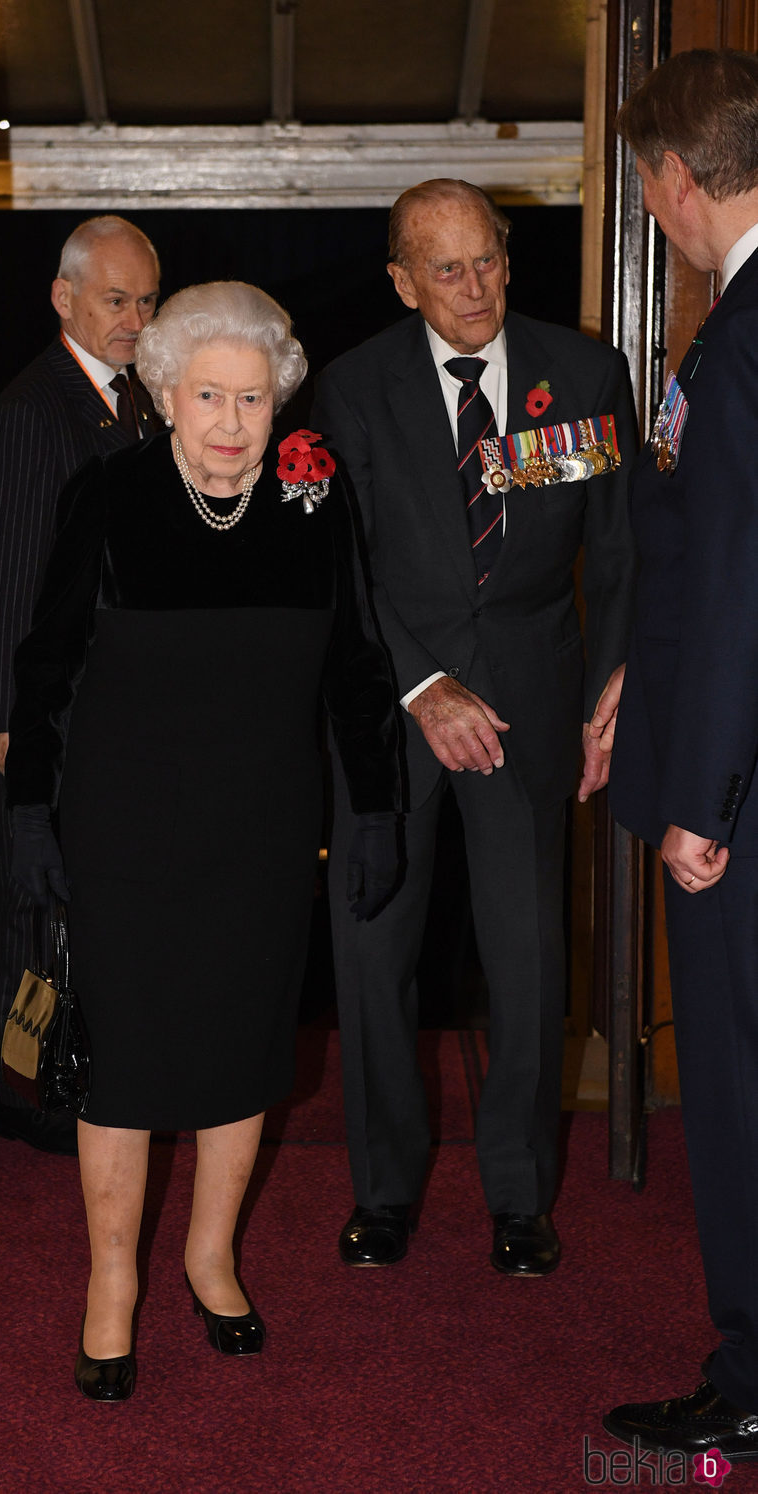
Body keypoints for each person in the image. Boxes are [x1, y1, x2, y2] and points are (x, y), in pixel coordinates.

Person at [3, 281, 402, 1401]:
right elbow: (45, 668)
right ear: (165, 396)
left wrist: (372, 809)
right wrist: (29, 812)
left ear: (280, 403)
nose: (231, 423)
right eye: (208, 396)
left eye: (253, 399)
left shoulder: (310, 509)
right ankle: (112, 1283)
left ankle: (209, 1256)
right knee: (120, 1067)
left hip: (261, 832)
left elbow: (357, 668)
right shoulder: (111, 496)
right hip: (122, 829)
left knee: (239, 1050)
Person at [313, 178, 638, 1276]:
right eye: (443, 270)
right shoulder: (349, 390)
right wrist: (420, 686)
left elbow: (620, 551)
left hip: (532, 702)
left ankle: (517, 1195)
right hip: (394, 712)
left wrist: (609, 686)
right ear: (401, 280)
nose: (473, 288)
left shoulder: (582, 374)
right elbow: (339, 571)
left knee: (525, 955)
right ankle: (383, 1191)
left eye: (487, 259)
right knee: (371, 954)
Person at [604, 49, 758, 1462]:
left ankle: (753, 1372)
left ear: (671, 175)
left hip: (745, 797)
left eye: (648, 189)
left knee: (732, 1079)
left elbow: (741, 572)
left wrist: (701, 796)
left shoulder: (751, 322)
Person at [0, 215, 161, 1155]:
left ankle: (93, 1078)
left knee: (102, 901)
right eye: (115, 300)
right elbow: (4, 587)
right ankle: (29, 1095)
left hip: (122, 713)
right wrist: (15, 729)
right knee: (38, 903)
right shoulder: (30, 412)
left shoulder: (142, 402)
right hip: (54, 712)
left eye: (146, 301)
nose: (133, 318)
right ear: (64, 298)